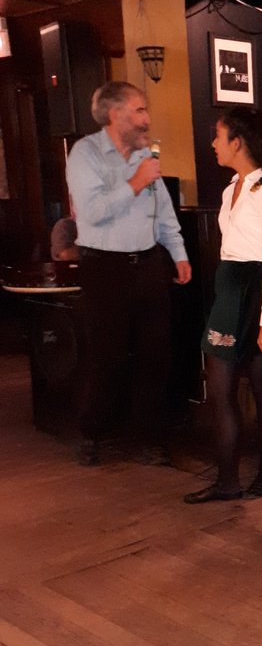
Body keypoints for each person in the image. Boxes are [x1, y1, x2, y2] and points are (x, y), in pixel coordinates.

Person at [66, 81, 191, 466]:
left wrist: (179, 253)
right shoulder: (85, 154)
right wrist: (135, 183)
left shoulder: (145, 156)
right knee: (106, 355)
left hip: (149, 264)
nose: (146, 119)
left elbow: (164, 211)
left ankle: (149, 438)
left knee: (156, 356)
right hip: (105, 267)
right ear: (113, 113)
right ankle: (92, 432)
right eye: (138, 110)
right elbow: (90, 213)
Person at [183, 108, 262, 505]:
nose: (213, 143)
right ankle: (227, 479)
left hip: (259, 294)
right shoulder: (231, 189)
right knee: (221, 389)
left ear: (238, 141)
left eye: (218, 135)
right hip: (229, 291)